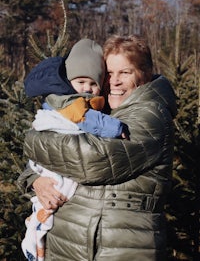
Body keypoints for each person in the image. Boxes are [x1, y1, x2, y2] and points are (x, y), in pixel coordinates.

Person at [18, 34, 177, 261]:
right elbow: (49, 162)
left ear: (145, 73)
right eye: (109, 74)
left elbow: (92, 160)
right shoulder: (100, 111)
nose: (114, 81)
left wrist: (32, 138)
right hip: (69, 243)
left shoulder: (151, 115)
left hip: (120, 247)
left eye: (125, 72)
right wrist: (35, 179)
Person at [21, 39, 129, 261]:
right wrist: (118, 128)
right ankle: (37, 230)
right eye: (81, 82)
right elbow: (89, 121)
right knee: (58, 190)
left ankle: (38, 232)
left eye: (93, 84)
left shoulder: (96, 103)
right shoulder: (72, 103)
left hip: (81, 231)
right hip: (56, 176)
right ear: (69, 82)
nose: (87, 89)